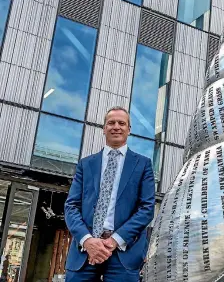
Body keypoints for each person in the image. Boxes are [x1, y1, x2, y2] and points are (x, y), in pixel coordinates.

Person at [64, 106, 155, 281]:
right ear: (104, 128)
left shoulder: (143, 165)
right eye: (111, 123)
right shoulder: (86, 164)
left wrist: (113, 240)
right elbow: (71, 206)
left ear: (129, 130)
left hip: (124, 252)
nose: (116, 126)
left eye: (122, 123)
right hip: (85, 251)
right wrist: (88, 240)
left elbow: (147, 208)